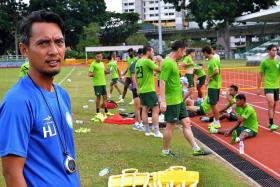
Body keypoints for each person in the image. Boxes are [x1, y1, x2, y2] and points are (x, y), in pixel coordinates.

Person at [0, 10, 80, 186]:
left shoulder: (62, 94)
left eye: (59, 42)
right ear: (24, 49)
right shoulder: (18, 102)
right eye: (43, 43)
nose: (54, 51)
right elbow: (11, 173)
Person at [159, 41, 210, 157]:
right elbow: (162, 82)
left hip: (179, 100)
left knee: (187, 122)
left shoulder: (173, 62)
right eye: (184, 51)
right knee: (170, 126)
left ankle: (196, 148)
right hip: (172, 101)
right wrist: (163, 101)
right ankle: (165, 151)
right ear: (179, 50)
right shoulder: (168, 63)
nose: (185, 54)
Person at [135, 46, 163, 138]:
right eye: (152, 51)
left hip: (142, 89)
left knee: (145, 109)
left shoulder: (138, 62)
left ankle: (147, 131)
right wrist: (160, 60)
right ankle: (156, 131)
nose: (153, 53)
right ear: (148, 52)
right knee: (156, 109)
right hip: (149, 89)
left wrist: (138, 88)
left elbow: (137, 76)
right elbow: (160, 70)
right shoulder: (147, 61)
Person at [257, 44, 279, 131]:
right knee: (271, 103)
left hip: (277, 86)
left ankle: (270, 122)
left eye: (276, 50)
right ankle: (271, 123)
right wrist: (258, 88)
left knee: (274, 105)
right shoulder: (264, 62)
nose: (275, 51)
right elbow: (260, 75)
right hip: (268, 85)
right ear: (269, 51)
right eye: (273, 50)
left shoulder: (278, 60)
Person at [88, 52, 113, 121]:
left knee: (105, 97)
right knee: (98, 98)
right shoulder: (93, 64)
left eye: (100, 56)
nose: (99, 58)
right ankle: (97, 112)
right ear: (95, 57)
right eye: (98, 56)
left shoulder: (102, 63)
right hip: (97, 84)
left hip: (103, 83)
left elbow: (104, 72)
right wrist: (93, 74)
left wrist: (108, 71)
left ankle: (106, 111)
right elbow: (89, 74)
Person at [202, 46, 222, 129]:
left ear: (206, 52)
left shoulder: (212, 60)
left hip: (213, 86)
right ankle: (215, 121)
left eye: (203, 54)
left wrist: (209, 77)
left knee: (213, 105)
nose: (203, 55)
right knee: (214, 104)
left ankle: (217, 122)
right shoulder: (214, 59)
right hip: (215, 85)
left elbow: (216, 71)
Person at [130, 48, 144, 131]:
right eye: (142, 54)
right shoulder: (134, 64)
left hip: (143, 88)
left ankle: (138, 122)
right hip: (137, 88)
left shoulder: (144, 63)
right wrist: (137, 88)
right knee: (138, 106)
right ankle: (139, 123)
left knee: (142, 107)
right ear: (139, 55)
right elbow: (133, 77)